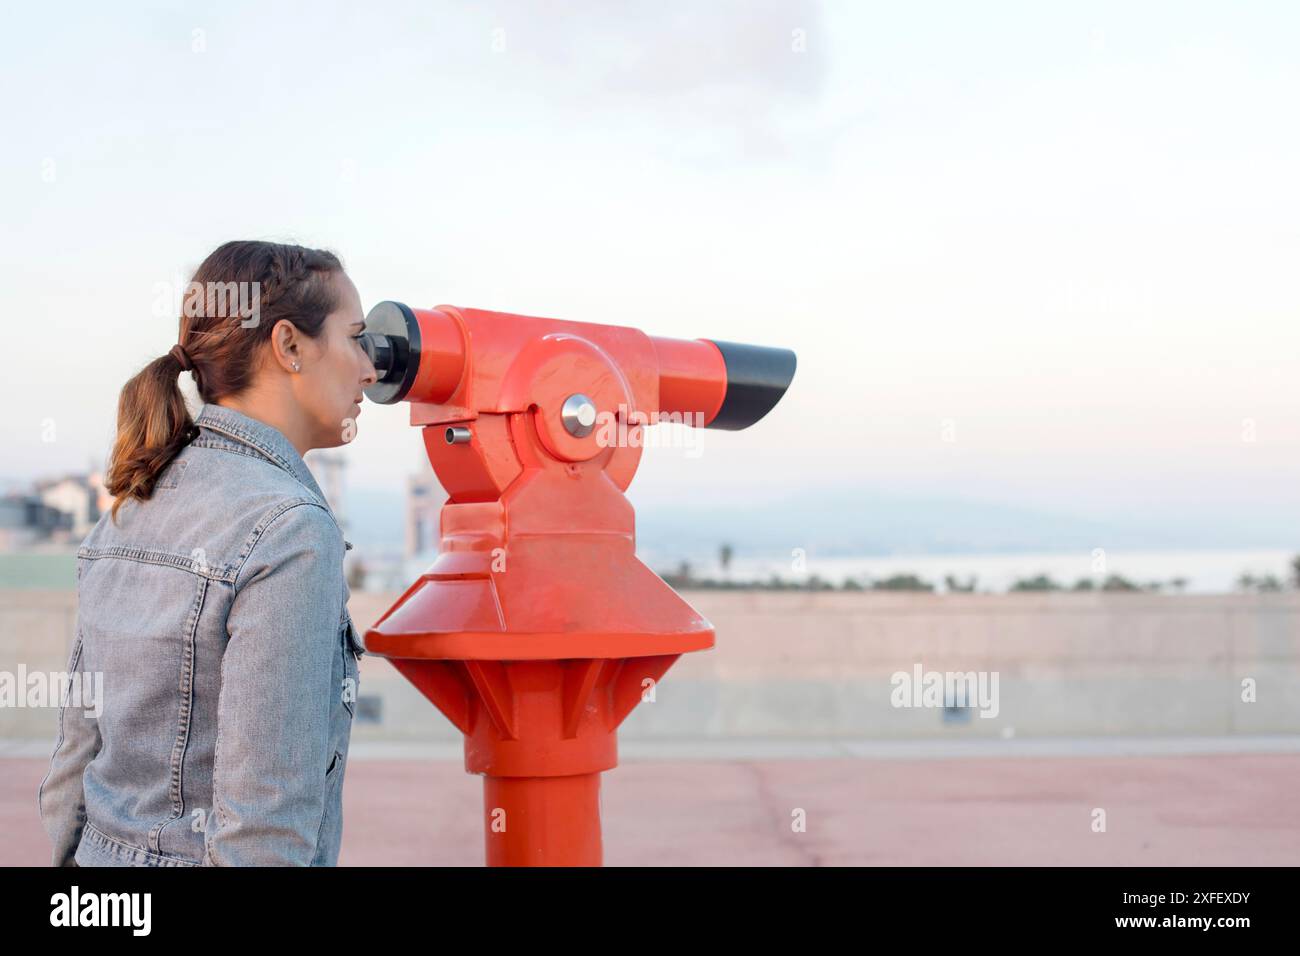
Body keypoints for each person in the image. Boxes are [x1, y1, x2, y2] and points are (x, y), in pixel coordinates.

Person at [37, 240, 378, 866]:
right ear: (290, 346)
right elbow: (263, 831)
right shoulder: (291, 529)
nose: (371, 368)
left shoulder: (130, 505)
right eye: (357, 338)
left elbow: (71, 770)